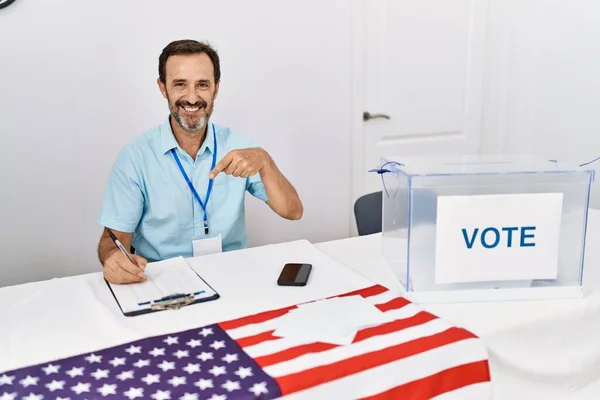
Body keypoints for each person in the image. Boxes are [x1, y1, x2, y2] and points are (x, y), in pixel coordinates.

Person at [96, 39, 303, 285]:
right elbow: (113, 239)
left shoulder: (240, 146)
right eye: (180, 84)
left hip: (234, 279)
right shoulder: (135, 157)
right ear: (163, 88)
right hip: (161, 283)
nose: (192, 98)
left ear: (216, 89)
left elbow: (293, 211)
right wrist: (113, 259)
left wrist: (266, 163)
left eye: (202, 85)